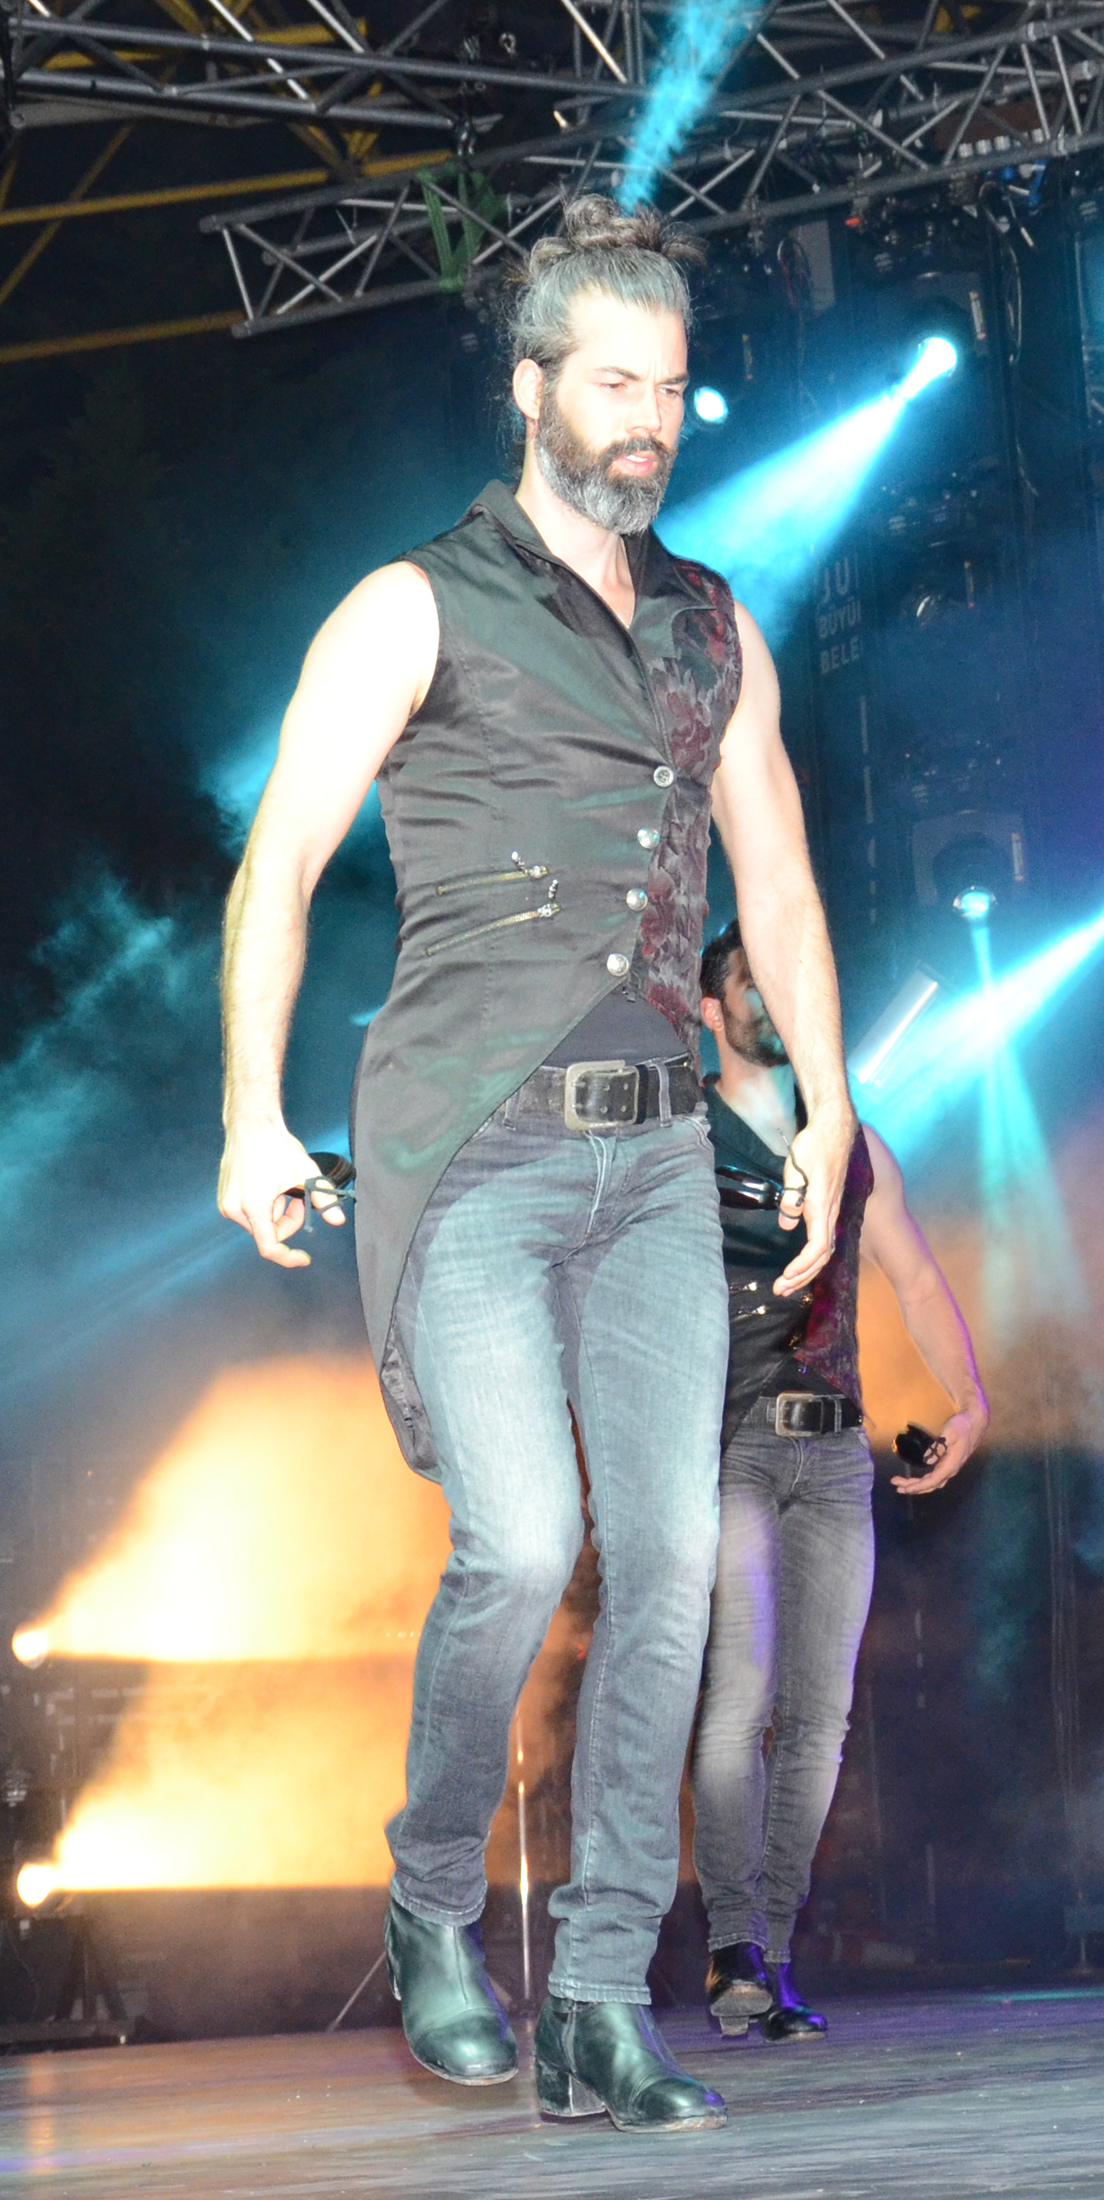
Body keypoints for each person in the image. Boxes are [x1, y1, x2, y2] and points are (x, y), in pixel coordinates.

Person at [215, 197, 852, 2131]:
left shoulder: (712, 623)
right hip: (474, 1149)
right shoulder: (412, 605)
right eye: (616, 383)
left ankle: (597, 1993)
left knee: (673, 1564)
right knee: (521, 1544)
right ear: (532, 386)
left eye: (674, 389)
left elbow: (778, 882)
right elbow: (279, 861)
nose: (650, 420)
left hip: (659, 1163)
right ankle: (428, 1902)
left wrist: (826, 1103)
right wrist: (250, 1110)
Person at [690, 922, 988, 2043]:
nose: (771, 997)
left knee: (820, 1718)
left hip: (834, 1456)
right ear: (711, 1011)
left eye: (785, 979)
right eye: (748, 983)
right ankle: (729, 1943)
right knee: (741, 1696)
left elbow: (915, 1278)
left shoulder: (854, 1146)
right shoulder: (681, 1139)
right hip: (725, 1445)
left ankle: (771, 1953)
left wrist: (970, 1399)